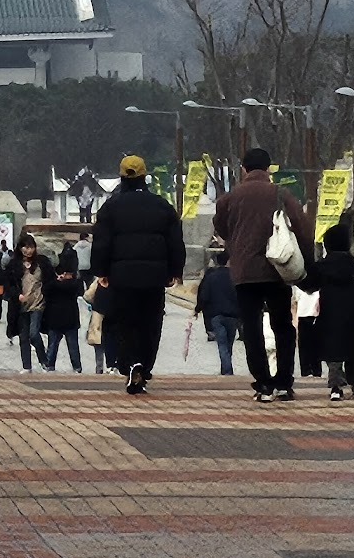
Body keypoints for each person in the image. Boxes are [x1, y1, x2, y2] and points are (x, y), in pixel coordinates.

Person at [212, 147, 315, 404]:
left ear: (243, 169)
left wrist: (237, 242)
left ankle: (263, 382)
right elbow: (302, 228)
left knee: (251, 327)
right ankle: (284, 381)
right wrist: (308, 264)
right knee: (283, 326)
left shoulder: (230, 198)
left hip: (244, 272)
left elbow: (221, 227)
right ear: (269, 168)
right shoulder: (280, 193)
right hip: (277, 269)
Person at [91, 153, 185, 395]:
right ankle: (144, 363)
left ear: (122, 178)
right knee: (151, 323)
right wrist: (175, 270)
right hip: (154, 277)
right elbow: (175, 242)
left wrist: (101, 270)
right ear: (145, 177)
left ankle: (130, 363)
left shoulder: (111, 207)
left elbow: (101, 242)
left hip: (121, 277)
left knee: (125, 322)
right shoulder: (162, 206)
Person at [310, 222, 354, 401]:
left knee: (334, 353)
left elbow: (310, 284)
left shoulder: (323, 266)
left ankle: (336, 387)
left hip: (330, 315)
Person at [193, 249, 240, 375]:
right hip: (233, 315)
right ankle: (227, 369)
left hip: (216, 315)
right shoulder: (235, 277)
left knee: (222, 344)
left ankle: (226, 370)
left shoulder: (211, 277)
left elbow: (204, 296)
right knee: (229, 344)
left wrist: (197, 309)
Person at [13, 232, 55, 372]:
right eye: (25, 247)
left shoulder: (41, 263)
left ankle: (44, 361)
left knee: (34, 333)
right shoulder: (15, 264)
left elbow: (50, 278)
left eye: (31, 247)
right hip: (21, 305)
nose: (28, 250)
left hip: (38, 303)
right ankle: (27, 366)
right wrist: (17, 295)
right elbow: (9, 283)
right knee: (23, 336)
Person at [43, 259, 84, 372]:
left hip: (56, 318)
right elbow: (80, 291)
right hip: (69, 318)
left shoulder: (54, 284)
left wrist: (58, 281)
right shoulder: (75, 283)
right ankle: (77, 367)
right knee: (72, 346)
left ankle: (49, 365)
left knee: (53, 345)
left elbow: (45, 291)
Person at [293, 282, 322, 378]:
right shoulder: (298, 287)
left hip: (316, 317)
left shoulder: (319, 288)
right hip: (302, 317)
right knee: (303, 346)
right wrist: (294, 319)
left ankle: (316, 370)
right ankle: (305, 371)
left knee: (316, 345)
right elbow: (294, 303)